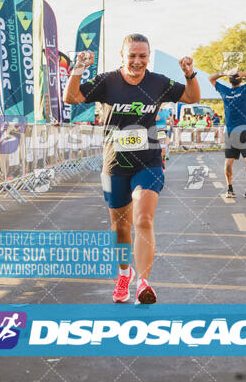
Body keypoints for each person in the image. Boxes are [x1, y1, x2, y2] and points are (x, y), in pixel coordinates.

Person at [63, 33, 200, 304]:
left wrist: (189, 74)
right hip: (114, 163)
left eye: (143, 56)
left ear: (148, 57)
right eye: (132, 56)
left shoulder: (158, 82)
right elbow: (72, 97)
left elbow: (192, 97)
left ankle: (143, 282)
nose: (137, 61)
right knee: (120, 226)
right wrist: (78, 69)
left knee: (143, 220)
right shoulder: (107, 81)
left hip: (148, 160)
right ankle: (124, 274)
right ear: (122, 56)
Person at [209, 68, 246, 199]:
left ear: (229, 80)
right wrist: (245, 73)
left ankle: (229, 189)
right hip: (245, 129)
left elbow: (210, 78)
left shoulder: (225, 90)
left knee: (229, 161)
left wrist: (223, 73)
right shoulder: (244, 89)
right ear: (240, 79)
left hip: (230, 131)